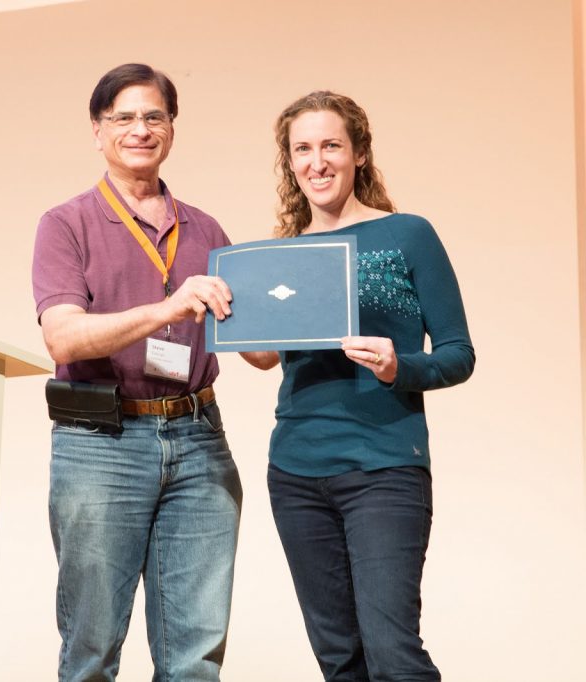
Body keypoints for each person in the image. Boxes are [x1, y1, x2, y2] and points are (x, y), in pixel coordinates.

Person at [244, 91, 475, 681]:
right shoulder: (285, 256)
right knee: (339, 660)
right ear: (289, 162)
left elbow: (457, 354)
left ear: (360, 154)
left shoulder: (408, 234)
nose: (316, 161)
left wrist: (401, 367)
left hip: (384, 467)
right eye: (302, 149)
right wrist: (233, 326)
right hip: (295, 472)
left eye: (330, 146)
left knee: (394, 655)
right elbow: (268, 356)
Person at [32, 63, 242, 681]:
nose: (140, 129)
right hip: (102, 443)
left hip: (200, 439)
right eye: (123, 117)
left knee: (196, 657)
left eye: (154, 116)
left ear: (171, 128)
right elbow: (62, 334)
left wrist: (296, 319)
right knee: (92, 649)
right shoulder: (65, 224)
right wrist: (167, 309)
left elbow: (257, 347)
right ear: (97, 131)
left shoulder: (206, 229)